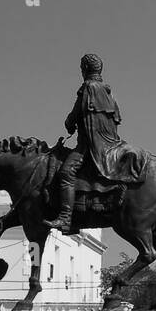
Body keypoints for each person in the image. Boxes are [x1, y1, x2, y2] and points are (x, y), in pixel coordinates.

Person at [46, 53, 130, 234]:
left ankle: (66, 217)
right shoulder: (109, 92)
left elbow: (76, 114)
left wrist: (69, 123)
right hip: (112, 145)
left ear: (85, 69)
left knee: (66, 173)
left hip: (90, 146)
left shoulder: (88, 88)